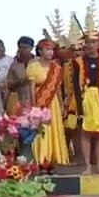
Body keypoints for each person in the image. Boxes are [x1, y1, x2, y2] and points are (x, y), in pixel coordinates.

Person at [67, 4, 99, 175]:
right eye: (88, 42)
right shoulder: (77, 62)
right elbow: (75, 86)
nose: (90, 45)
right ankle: (87, 165)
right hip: (86, 98)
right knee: (86, 133)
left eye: (94, 42)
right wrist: (78, 106)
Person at [26, 37, 69, 167]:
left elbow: (57, 89)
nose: (50, 52)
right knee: (42, 130)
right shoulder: (33, 66)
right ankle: (42, 159)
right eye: (47, 49)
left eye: (51, 49)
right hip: (40, 101)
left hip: (53, 102)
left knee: (54, 129)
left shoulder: (56, 67)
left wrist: (61, 105)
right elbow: (32, 88)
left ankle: (53, 159)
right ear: (40, 50)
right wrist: (35, 107)